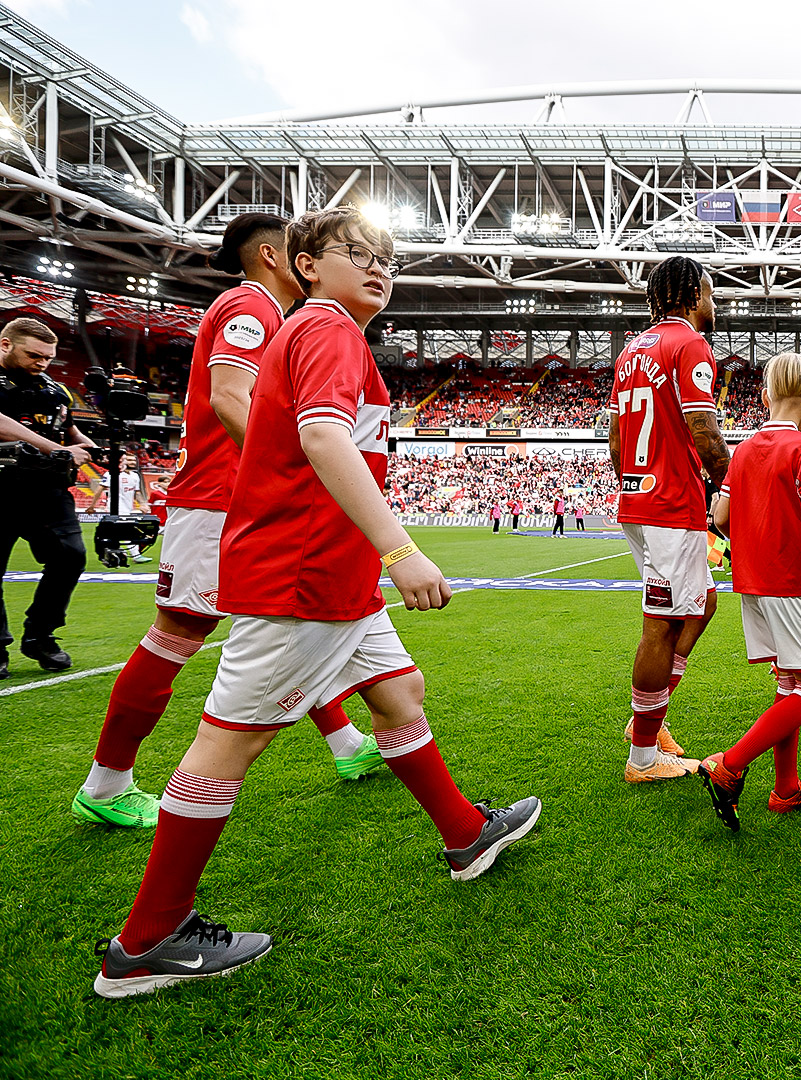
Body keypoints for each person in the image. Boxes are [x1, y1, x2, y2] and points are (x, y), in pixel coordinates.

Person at [92, 205, 540, 999]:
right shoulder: (328, 330)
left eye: (386, 258)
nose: (378, 267)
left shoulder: (313, 331)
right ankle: (147, 937)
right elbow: (326, 440)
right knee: (230, 743)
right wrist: (401, 550)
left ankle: (466, 836)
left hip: (326, 568)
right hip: (301, 568)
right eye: (356, 252)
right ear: (305, 265)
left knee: (400, 691)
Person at [74, 213, 386, 831]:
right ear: (278, 256)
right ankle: (107, 782)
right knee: (181, 635)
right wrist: (286, 475)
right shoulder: (250, 308)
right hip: (224, 497)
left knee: (292, 623)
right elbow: (228, 397)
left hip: (238, 497)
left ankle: (348, 743)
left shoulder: (286, 317)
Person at [697, 352, 801, 830]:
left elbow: (721, 518)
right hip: (792, 584)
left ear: (766, 396)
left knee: (788, 683)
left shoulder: (746, 446)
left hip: (751, 584)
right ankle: (729, 763)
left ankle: (787, 788)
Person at [609, 255, 730, 781]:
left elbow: (616, 437)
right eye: (709, 289)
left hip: (639, 499)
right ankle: (642, 755)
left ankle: (652, 716)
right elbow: (703, 429)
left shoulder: (632, 350)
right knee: (660, 625)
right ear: (690, 294)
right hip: (670, 505)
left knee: (701, 607)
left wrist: (634, 487)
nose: (713, 299)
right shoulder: (690, 343)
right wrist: (734, 484)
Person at [0, 316, 97, 676]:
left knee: (70, 557)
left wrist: (85, 444)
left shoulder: (54, 389)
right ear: (6, 344)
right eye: (34, 355)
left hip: (47, 491)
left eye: (49, 358)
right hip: (1, 488)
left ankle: (40, 635)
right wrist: (53, 448)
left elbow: (65, 425)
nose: (42, 363)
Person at [116, 451, 153, 564]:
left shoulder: (135, 476)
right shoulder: (114, 475)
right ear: (122, 461)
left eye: (134, 460)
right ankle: (136, 555)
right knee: (129, 530)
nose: (132, 462)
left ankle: (116, 553)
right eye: (129, 460)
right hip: (117, 508)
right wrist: (93, 506)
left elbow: (137, 493)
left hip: (128, 508)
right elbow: (101, 489)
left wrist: (142, 503)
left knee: (118, 532)